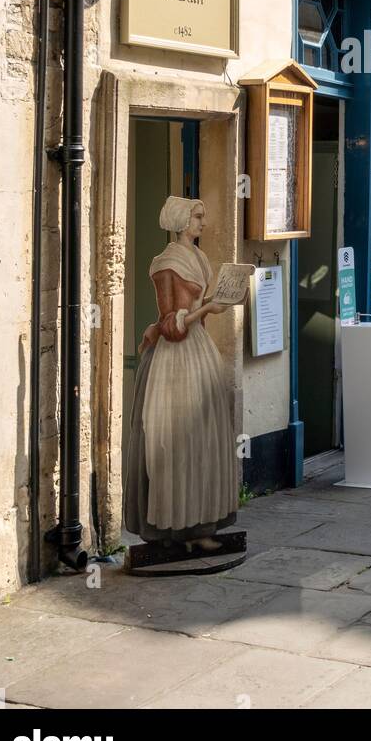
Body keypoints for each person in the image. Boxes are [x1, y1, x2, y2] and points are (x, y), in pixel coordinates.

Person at [123, 195, 237, 555]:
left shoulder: (199, 258)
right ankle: (174, 529)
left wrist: (214, 305)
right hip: (177, 360)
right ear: (180, 220)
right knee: (176, 444)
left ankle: (198, 526)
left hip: (199, 353)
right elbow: (174, 325)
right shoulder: (166, 263)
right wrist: (208, 307)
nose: (203, 223)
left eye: (202, 217)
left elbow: (187, 320)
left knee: (202, 441)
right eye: (197, 217)